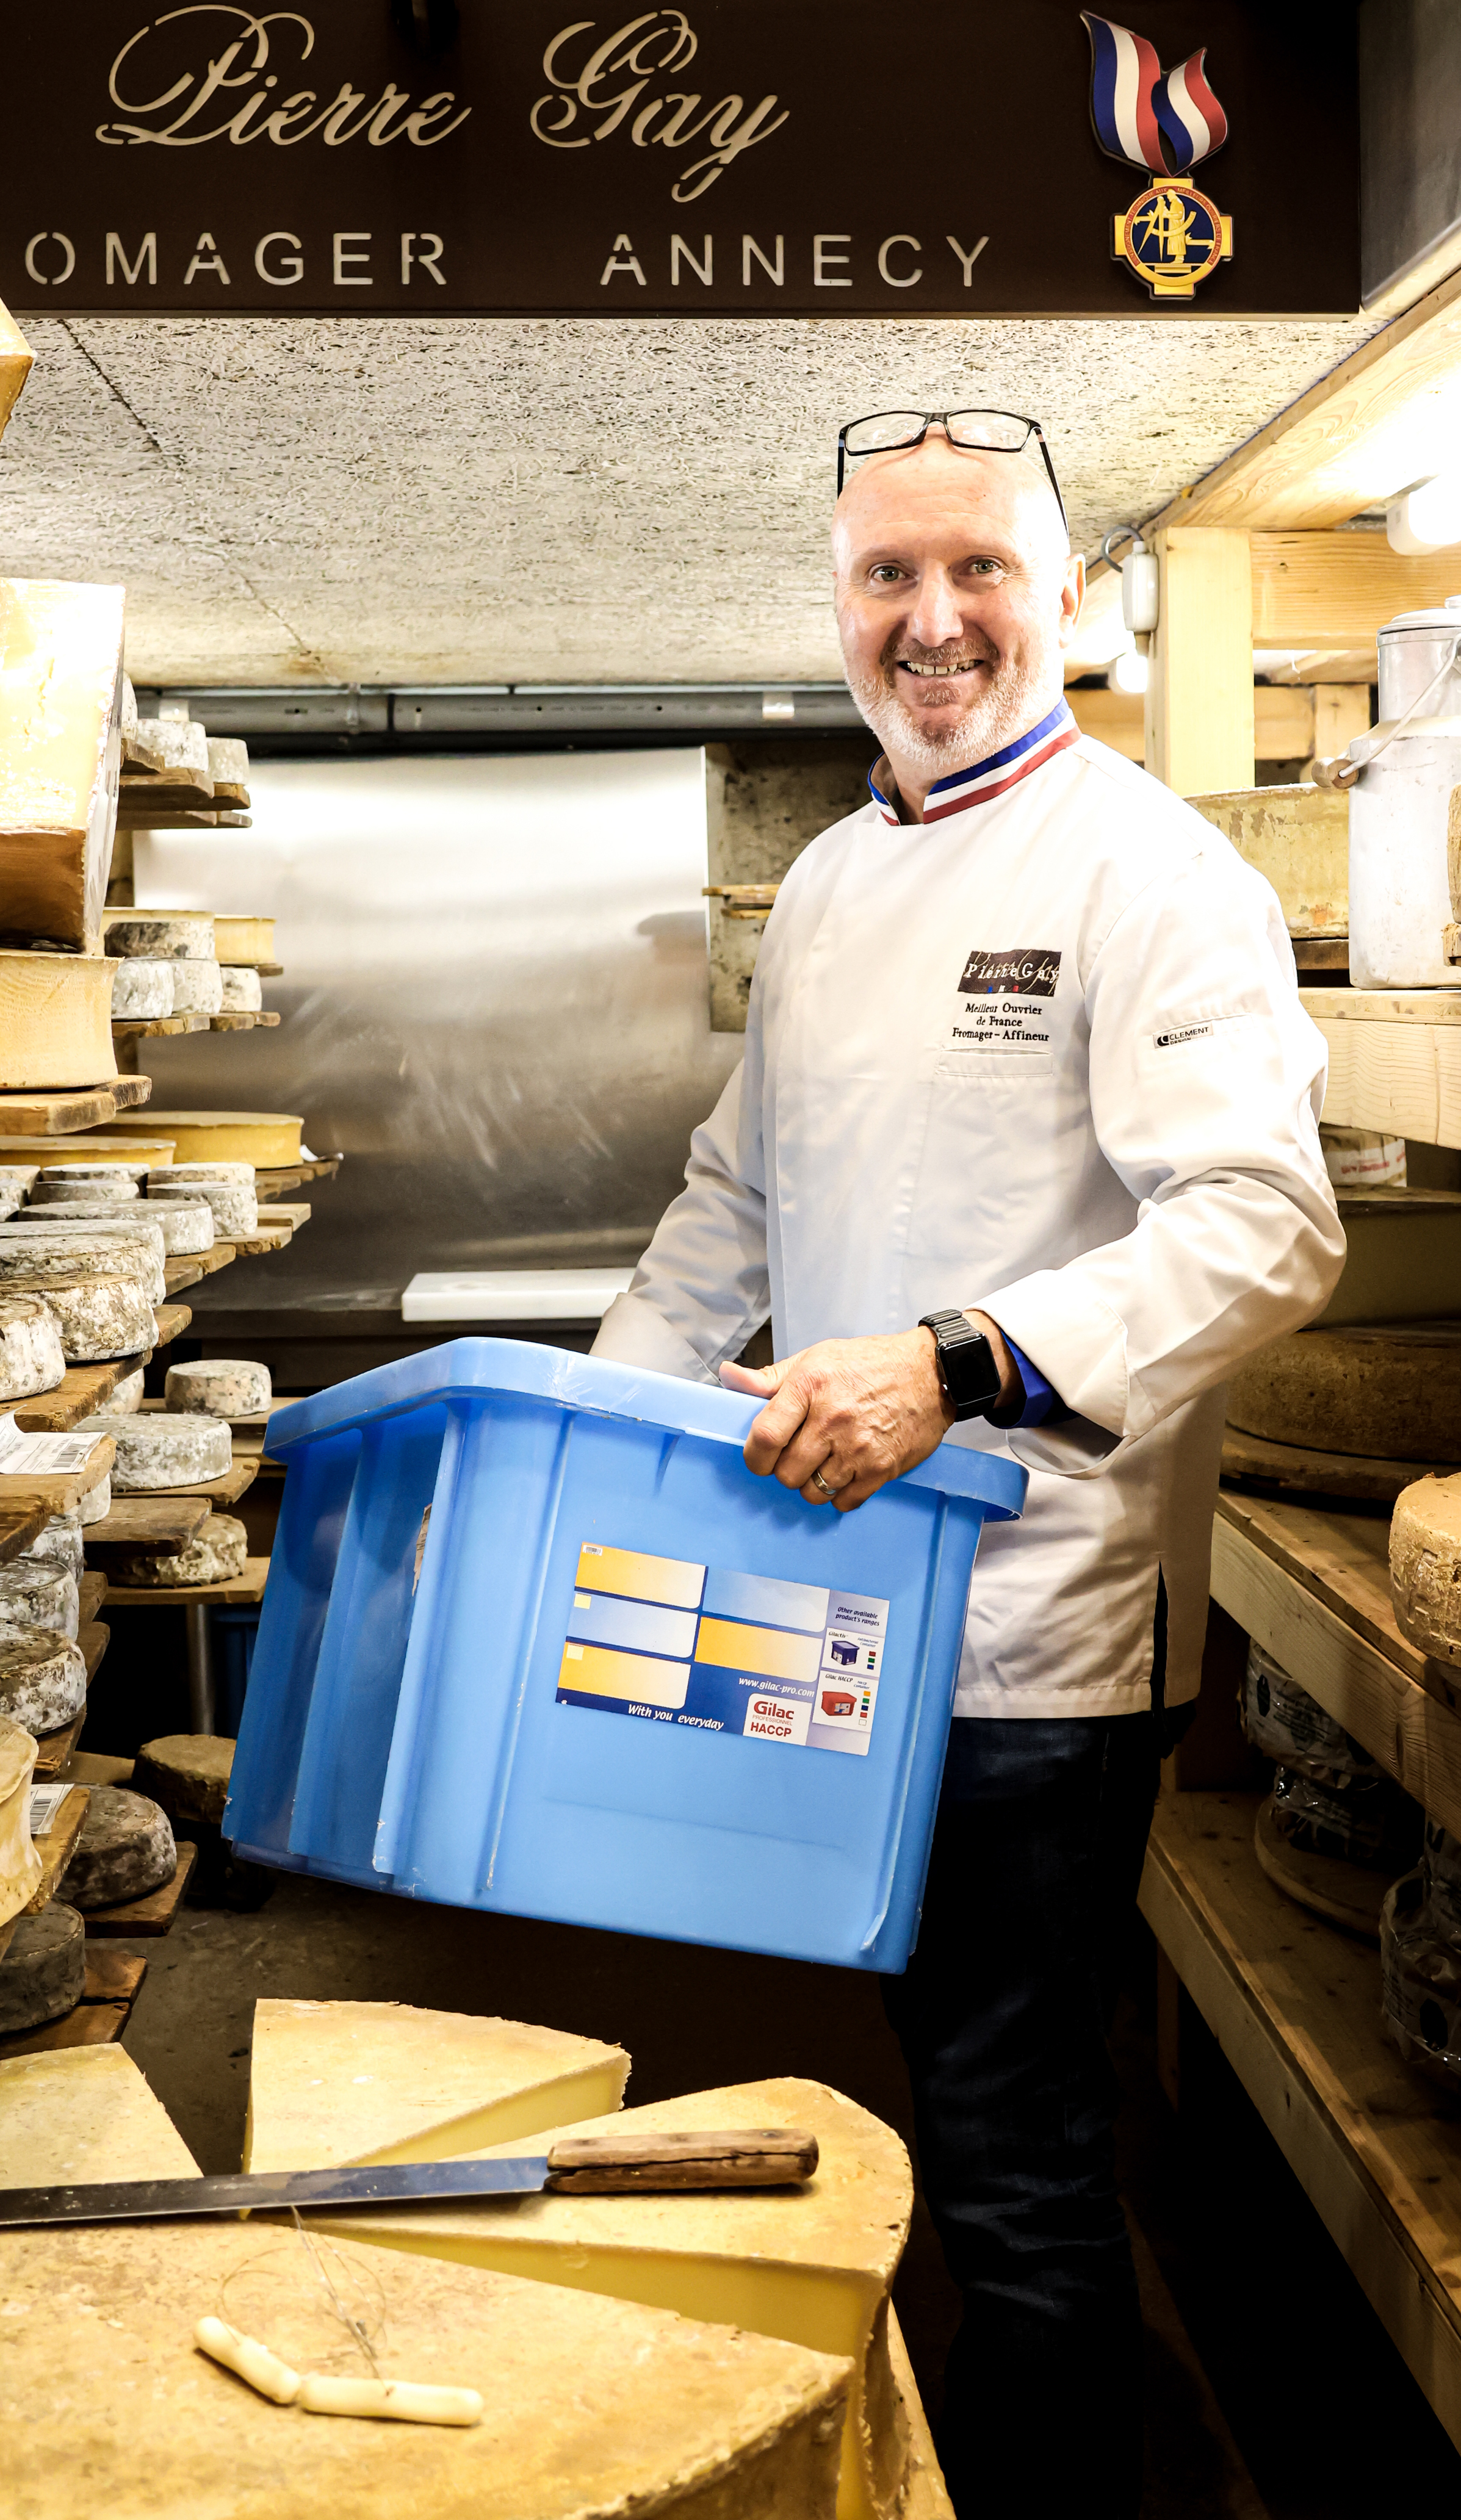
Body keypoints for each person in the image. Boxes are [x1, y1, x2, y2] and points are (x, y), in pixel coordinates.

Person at [591, 412, 1344, 2518]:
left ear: (1070, 599)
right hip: (830, 1614)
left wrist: (964, 1358)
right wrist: (583, 1443)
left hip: (1028, 1636)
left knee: (1014, 2147)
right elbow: (730, 1203)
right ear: (837, 609)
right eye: (885, 581)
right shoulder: (832, 878)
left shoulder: (1146, 867)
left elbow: (1262, 1222)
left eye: (980, 572)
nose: (932, 622)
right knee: (906, 2094)